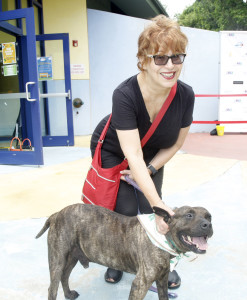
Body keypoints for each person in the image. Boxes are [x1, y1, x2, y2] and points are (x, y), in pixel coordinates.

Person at [90, 15, 195, 289]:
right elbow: (132, 155)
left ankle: (161, 263)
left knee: (151, 207)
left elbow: (175, 144)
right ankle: (117, 259)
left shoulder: (185, 95)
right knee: (124, 211)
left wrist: (150, 171)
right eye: (160, 58)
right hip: (118, 150)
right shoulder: (124, 94)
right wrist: (160, 203)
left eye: (177, 57)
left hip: (152, 155)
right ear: (144, 59)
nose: (170, 66)